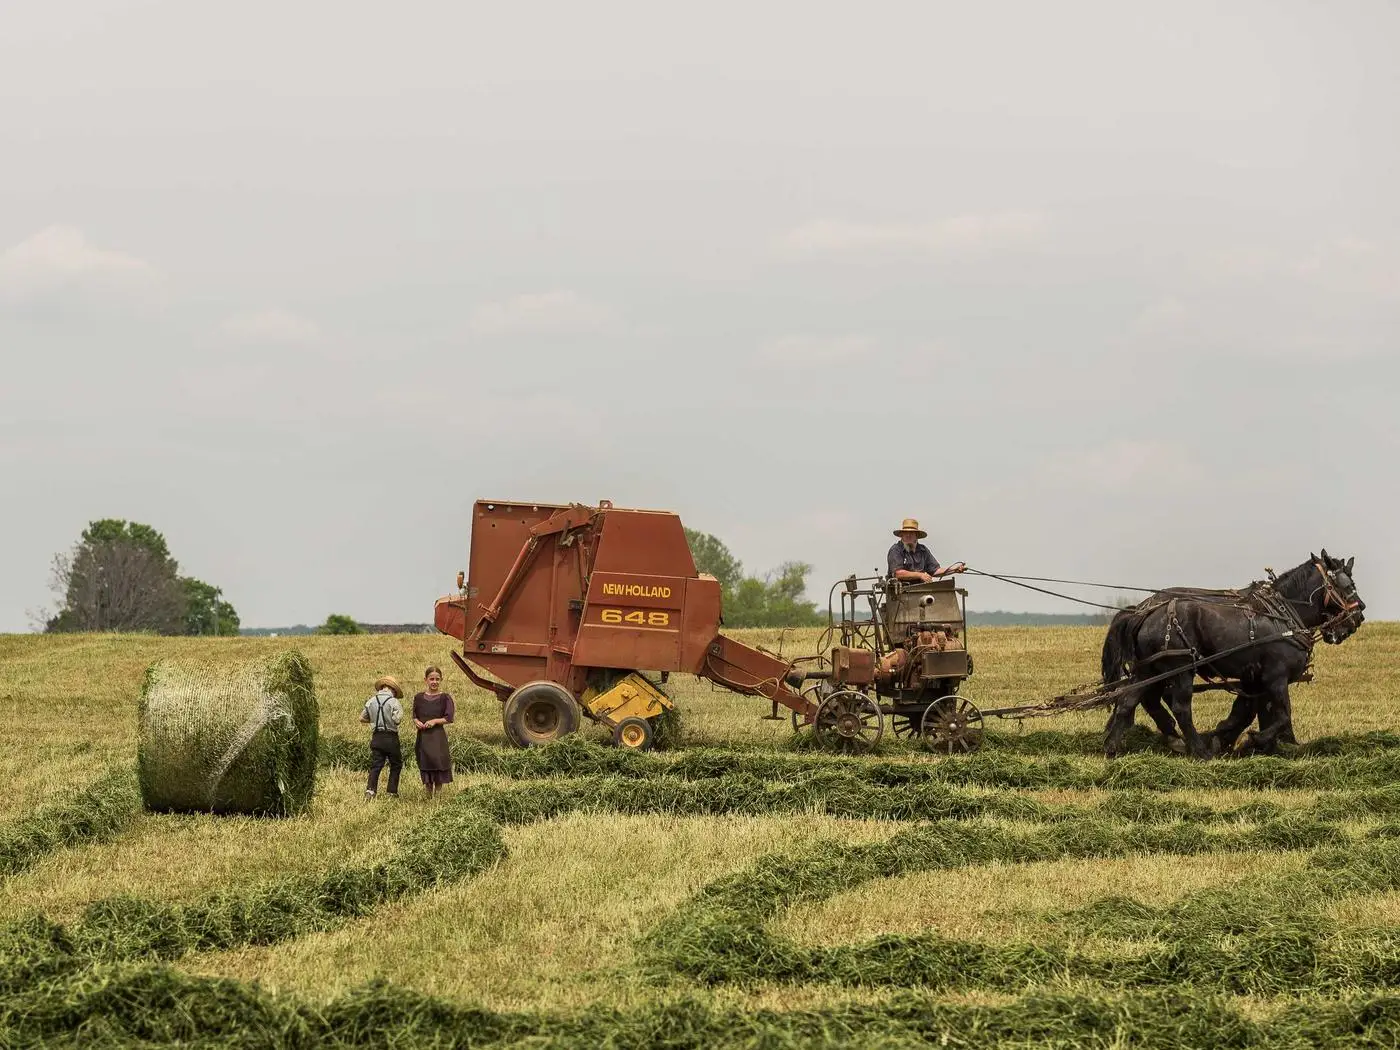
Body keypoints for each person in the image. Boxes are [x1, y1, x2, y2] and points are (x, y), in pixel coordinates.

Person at [413, 666, 455, 797]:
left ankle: (437, 795)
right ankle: (427, 794)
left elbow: (449, 718)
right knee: (425, 763)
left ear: (441, 680)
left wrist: (435, 721)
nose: (434, 682)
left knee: (438, 763)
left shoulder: (445, 698)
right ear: (425, 680)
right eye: (431, 679)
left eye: (437, 679)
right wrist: (416, 722)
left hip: (437, 737)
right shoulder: (418, 698)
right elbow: (414, 715)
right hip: (423, 737)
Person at [360, 675, 404, 799]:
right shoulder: (394, 701)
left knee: (376, 764)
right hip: (391, 737)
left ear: (382, 687)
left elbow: (362, 718)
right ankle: (391, 792)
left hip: (376, 737)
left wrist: (374, 720)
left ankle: (370, 791)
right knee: (396, 764)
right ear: (392, 689)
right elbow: (397, 720)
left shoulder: (371, 701)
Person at [887, 518, 966, 583]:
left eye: (911, 533)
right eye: (906, 533)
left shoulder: (923, 550)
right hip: (901, 593)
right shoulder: (896, 550)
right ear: (901, 535)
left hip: (922, 589)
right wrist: (920, 575)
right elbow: (898, 573)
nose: (908, 535)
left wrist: (954, 569)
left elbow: (935, 571)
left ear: (917, 535)